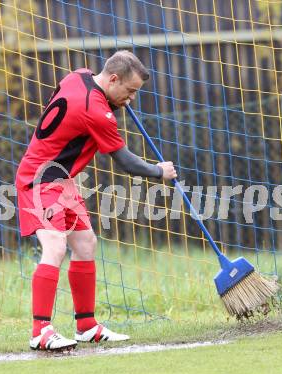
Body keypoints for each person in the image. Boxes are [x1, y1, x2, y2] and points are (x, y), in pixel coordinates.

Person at [15, 50, 177, 351]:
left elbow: (77, 113)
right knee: (55, 247)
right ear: (113, 79)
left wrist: (115, 103)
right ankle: (40, 331)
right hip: (40, 180)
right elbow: (125, 162)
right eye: (129, 92)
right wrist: (159, 171)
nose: (130, 100)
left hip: (62, 180)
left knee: (86, 244)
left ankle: (86, 326)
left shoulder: (80, 75)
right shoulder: (97, 111)